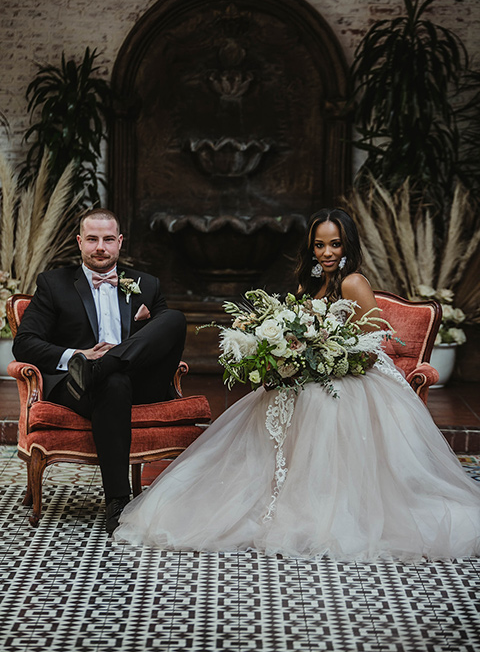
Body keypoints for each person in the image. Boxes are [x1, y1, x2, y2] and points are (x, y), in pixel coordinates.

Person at [113, 208, 480, 561]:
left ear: (348, 245)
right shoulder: (311, 283)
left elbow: (374, 346)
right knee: (272, 400)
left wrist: (328, 362)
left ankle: (318, 505)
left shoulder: (354, 284)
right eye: (319, 245)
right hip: (314, 370)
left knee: (318, 405)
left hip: (354, 377)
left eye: (335, 244)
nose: (327, 253)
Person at [13, 208, 186, 534]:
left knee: (173, 319)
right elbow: (24, 343)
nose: (100, 247)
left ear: (120, 242)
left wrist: (105, 360)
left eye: (108, 239)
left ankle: (103, 367)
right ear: (80, 242)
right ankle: (118, 501)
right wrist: (77, 355)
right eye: (92, 239)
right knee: (114, 383)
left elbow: (164, 340)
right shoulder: (54, 284)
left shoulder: (146, 284)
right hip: (78, 388)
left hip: (140, 381)